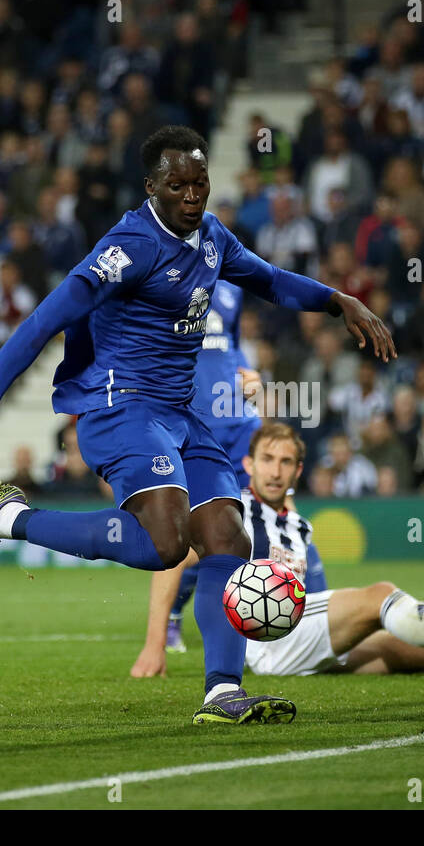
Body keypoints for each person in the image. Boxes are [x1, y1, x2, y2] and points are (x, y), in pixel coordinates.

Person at [0, 126, 395, 724]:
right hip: (120, 407)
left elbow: (271, 281)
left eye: (200, 183)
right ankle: (6, 518)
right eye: (178, 186)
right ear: (152, 187)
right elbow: (44, 319)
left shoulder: (212, 237)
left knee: (228, 538)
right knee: (166, 545)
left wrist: (338, 300)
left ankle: (222, 693)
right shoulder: (129, 247)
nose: (192, 196)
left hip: (179, 412)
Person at [133, 421, 424, 678]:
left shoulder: (298, 527)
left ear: (298, 471)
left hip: (293, 636)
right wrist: (155, 644)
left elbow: (315, 598)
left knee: (393, 646)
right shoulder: (232, 511)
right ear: (250, 465)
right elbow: (173, 560)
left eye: (286, 462)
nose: (275, 471)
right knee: (379, 597)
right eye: (267, 459)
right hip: (263, 641)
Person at [131, 277, 262, 666]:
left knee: (260, 528)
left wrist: (248, 371)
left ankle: (265, 619)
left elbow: (231, 344)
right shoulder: (164, 281)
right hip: (195, 430)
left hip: (241, 426)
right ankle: (168, 620)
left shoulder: (232, 289)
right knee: (193, 536)